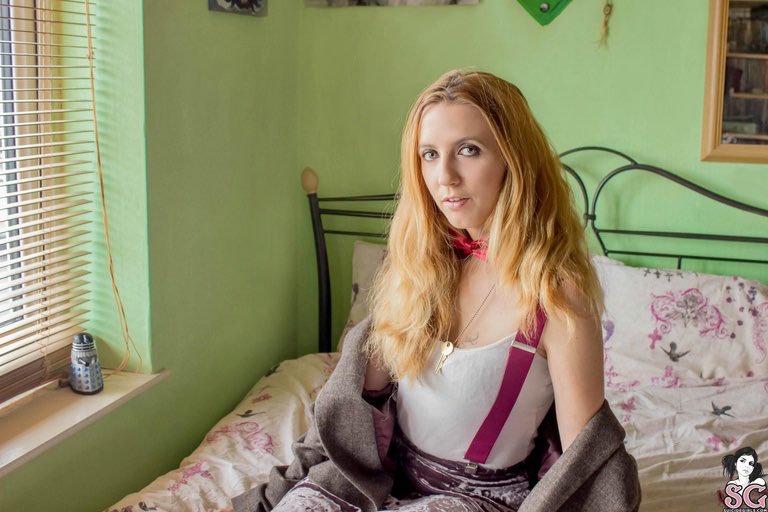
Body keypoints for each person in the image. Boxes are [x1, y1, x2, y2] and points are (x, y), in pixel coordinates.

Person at [232, 70, 640, 512]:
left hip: (476, 498)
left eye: (468, 150)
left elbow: (584, 467)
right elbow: (346, 414)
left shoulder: (557, 295)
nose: (445, 176)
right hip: (382, 479)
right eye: (429, 154)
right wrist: (279, 495)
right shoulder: (420, 268)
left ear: (514, 159)